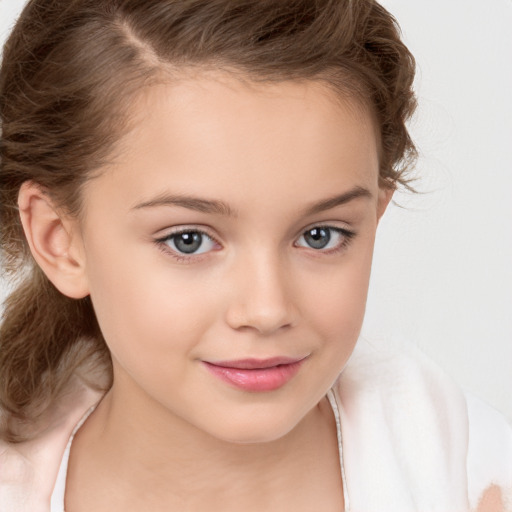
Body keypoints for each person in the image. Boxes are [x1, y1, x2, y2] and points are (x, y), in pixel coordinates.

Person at [0, 1, 510, 511]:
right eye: (189, 240)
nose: (267, 310)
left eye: (320, 235)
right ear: (59, 240)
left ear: (373, 219)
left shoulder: (475, 477)